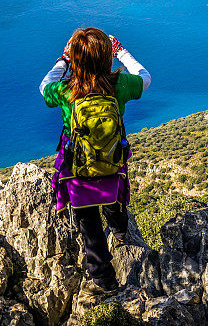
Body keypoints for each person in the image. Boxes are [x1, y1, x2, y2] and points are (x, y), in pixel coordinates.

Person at [39, 27, 150, 293]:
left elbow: (44, 86)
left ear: (76, 60)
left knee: (87, 221)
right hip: (112, 159)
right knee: (115, 197)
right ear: (107, 58)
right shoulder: (120, 85)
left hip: (76, 165)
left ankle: (104, 279)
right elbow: (145, 77)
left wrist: (63, 60)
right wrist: (121, 51)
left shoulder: (65, 90)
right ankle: (120, 231)